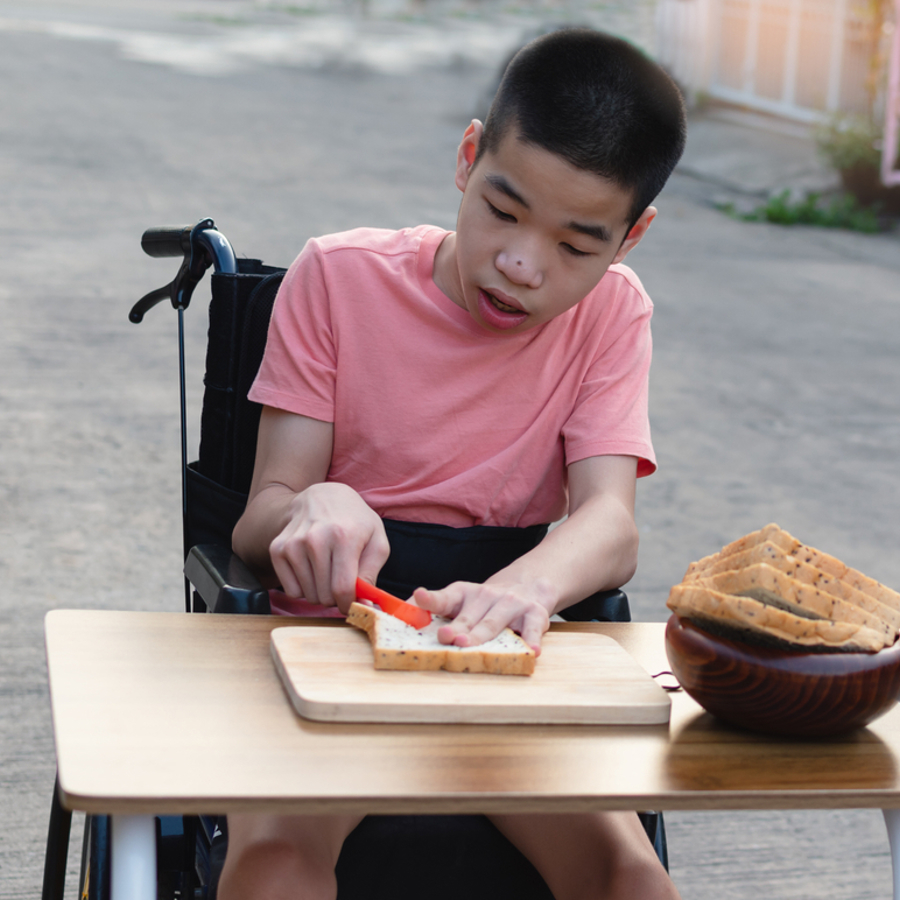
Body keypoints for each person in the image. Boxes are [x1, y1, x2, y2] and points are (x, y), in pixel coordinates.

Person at [221, 26, 686, 900]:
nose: (521, 264)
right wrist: (315, 503)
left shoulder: (613, 317)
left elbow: (609, 523)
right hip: (331, 650)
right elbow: (259, 518)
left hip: (502, 661)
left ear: (629, 238)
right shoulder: (336, 278)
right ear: (469, 158)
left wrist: (532, 587)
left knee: (634, 878)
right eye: (503, 212)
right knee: (277, 867)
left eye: (576, 247)